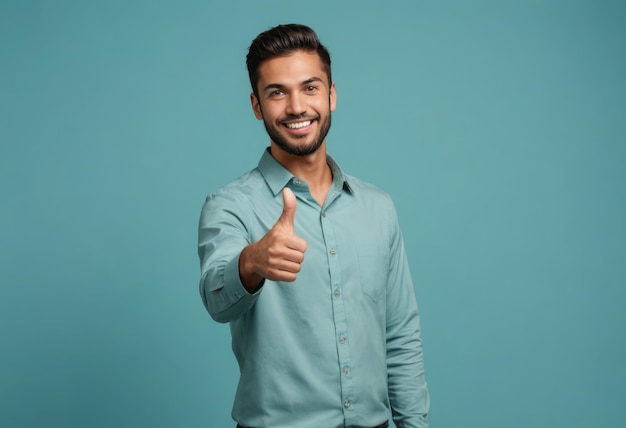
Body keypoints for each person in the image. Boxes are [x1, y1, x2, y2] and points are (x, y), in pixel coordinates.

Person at [198, 24, 430, 428]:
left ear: (331, 95)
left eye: (309, 88)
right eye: (277, 92)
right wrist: (253, 261)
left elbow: (400, 334)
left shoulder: (377, 207)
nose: (296, 107)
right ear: (257, 106)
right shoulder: (229, 206)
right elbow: (217, 299)